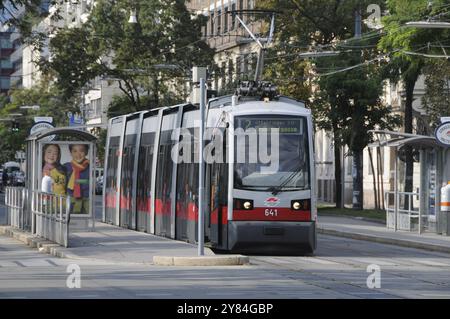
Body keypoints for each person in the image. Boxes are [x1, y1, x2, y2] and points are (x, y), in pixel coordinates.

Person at [64, 144, 90, 214]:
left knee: (84, 222)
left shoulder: (89, 167)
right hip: (71, 200)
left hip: (86, 201)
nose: (78, 154)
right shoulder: (66, 166)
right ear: (71, 153)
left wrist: (76, 181)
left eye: (81, 151)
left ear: (86, 152)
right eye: (74, 151)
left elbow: (90, 183)